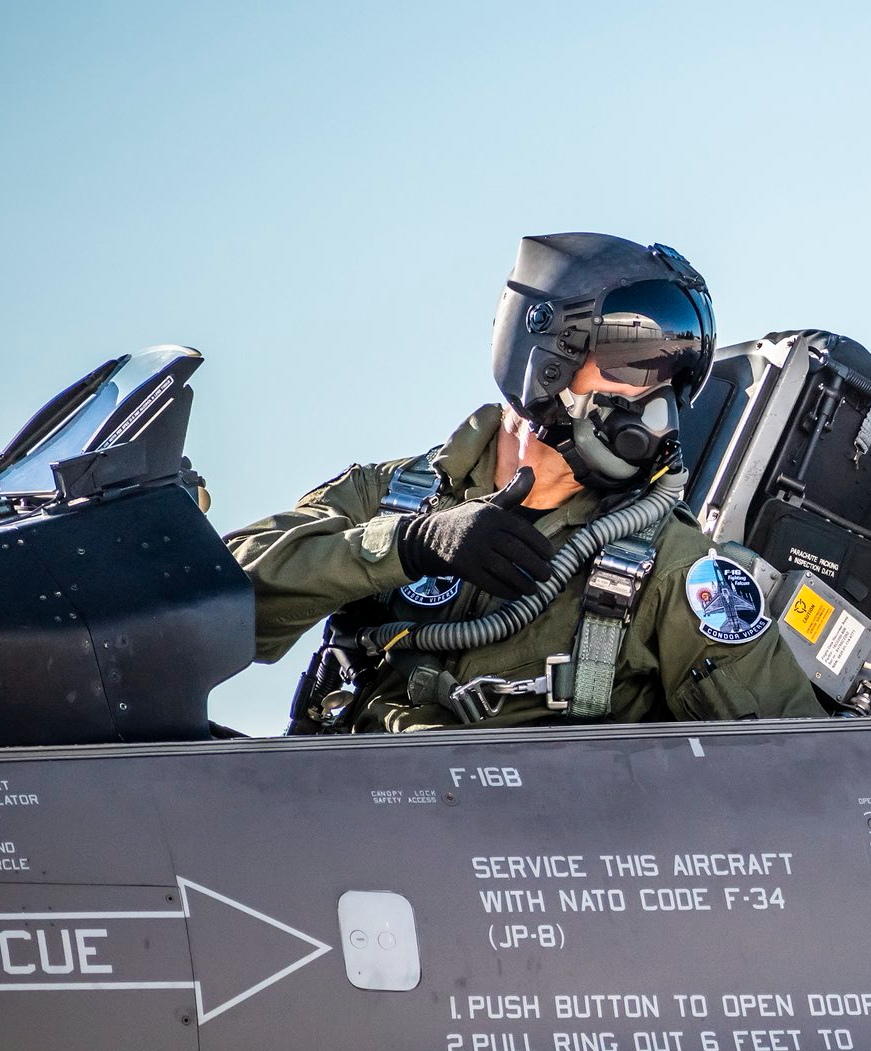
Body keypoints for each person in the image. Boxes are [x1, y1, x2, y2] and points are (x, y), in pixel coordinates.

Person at [225, 232, 825, 732]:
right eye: (636, 364)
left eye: (672, 380)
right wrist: (405, 547)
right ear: (544, 356)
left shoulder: (670, 568)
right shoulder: (387, 497)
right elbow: (216, 608)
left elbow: (804, 765)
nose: (653, 403)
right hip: (341, 810)